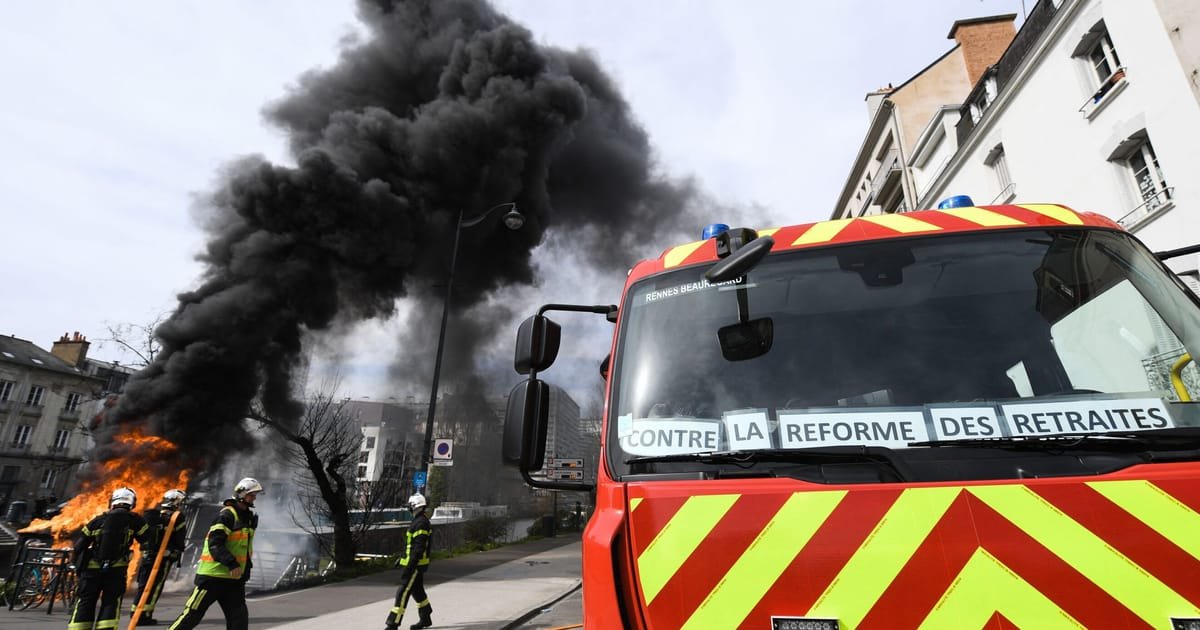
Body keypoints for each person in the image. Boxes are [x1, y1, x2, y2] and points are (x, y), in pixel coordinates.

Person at [168, 477, 261, 630]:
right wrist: (231, 563)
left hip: (233, 580)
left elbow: (243, 548)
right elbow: (215, 544)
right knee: (191, 616)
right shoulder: (227, 516)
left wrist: (244, 572)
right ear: (241, 495)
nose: (254, 498)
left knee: (239, 621)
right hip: (212, 578)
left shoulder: (248, 518)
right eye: (252, 494)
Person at [67, 487, 152, 630]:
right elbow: (147, 540)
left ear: (112, 502)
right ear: (132, 503)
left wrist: (76, 564)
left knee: (85, 602)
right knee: (111, 603)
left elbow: (80, 545)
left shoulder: (97, 521)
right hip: (116, 570)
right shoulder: (135, 521)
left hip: (91, 572)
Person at [130, 488, 188, 625]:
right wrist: (175, 551)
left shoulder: (154, 515)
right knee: (155, 587)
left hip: (147, 557)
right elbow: (179, 540)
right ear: (177, 502)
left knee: (143, 586)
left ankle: (135, 613)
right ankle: (145, 615)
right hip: (163, 559)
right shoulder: (176, 517)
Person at [384, 493, 434, 630]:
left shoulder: (421, 523)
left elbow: (418, 549)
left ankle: (392, 623)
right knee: (418, 591)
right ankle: (426, 616)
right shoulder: (419, 521)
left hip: (415, 566)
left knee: (403, 592)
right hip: (414, 564)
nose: (409, 509)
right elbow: (410, 547)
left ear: (415, 507)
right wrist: (402, 559)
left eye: (410, 507)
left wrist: (410, 567)